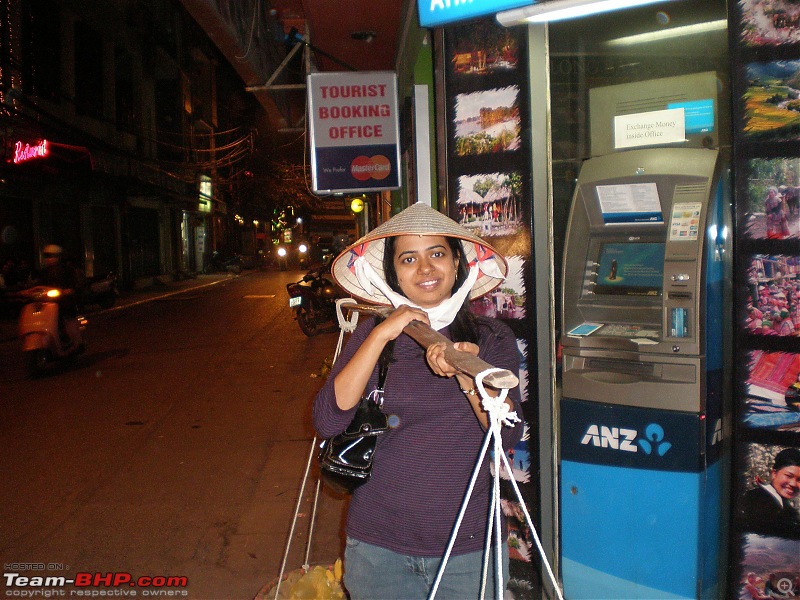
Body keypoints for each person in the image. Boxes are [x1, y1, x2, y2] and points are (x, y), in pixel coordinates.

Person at [313, 202, 524, 599]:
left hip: (469, 549)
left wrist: (469, 373)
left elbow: (506, 438)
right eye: (409, 259)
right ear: (394, 273)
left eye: (437, 254)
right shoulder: (371, 337)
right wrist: (380, 334)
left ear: (458, 262)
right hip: (378, 549)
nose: (425, 269)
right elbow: (328, 421)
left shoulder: (491, 338)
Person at [740, 447, 800, 536]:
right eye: (789, 476)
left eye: (799, 480)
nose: (793, 484)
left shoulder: (785, 508)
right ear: (774, 474)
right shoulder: (756, 501)